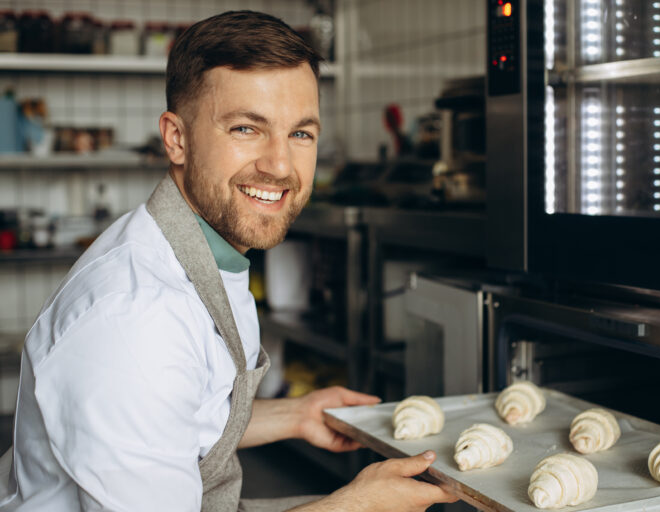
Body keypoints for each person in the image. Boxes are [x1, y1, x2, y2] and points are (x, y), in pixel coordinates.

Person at [0, 10, 458, 512]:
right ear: (176, 138)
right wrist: (354, 506)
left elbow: (174, 419)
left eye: (301, 133)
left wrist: (294, 415)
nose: (280, 166)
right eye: (246, 128)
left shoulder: (197, 249)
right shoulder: (134, 319)